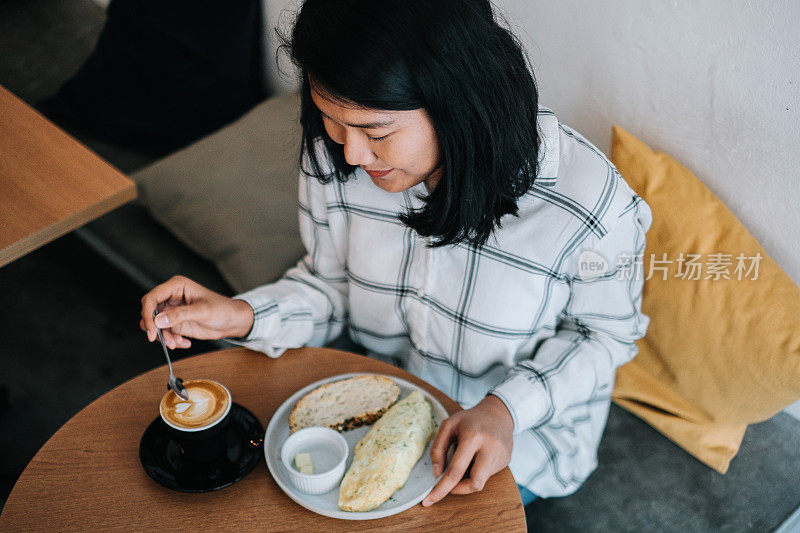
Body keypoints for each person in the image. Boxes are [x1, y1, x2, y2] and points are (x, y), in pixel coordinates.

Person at [140, 0, 652, 507]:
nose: (352, 155)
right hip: (382, 408)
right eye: (331, 120)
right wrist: (242, 314)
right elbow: (331, 286)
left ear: (460, 102)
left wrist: (505, 411)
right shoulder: (336, 149)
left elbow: (603, 336)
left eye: (376, 132)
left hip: (522, 440)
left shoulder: (591, 204)